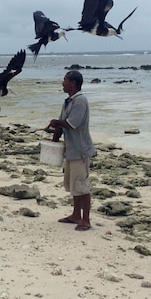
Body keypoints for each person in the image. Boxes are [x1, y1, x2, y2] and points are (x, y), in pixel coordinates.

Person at [48, 70, 95, 231]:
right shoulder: (68, 101)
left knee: (82, 184)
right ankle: (76, 214)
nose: (63, 83)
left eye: (65, 80)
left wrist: (57, 123)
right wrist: (54, 140)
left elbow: (71, 123)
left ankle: (86, 219)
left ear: (73, 83)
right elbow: (62, 123)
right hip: (71, 150)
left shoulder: (80, 101)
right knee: (73, 184)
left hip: (80, 150)